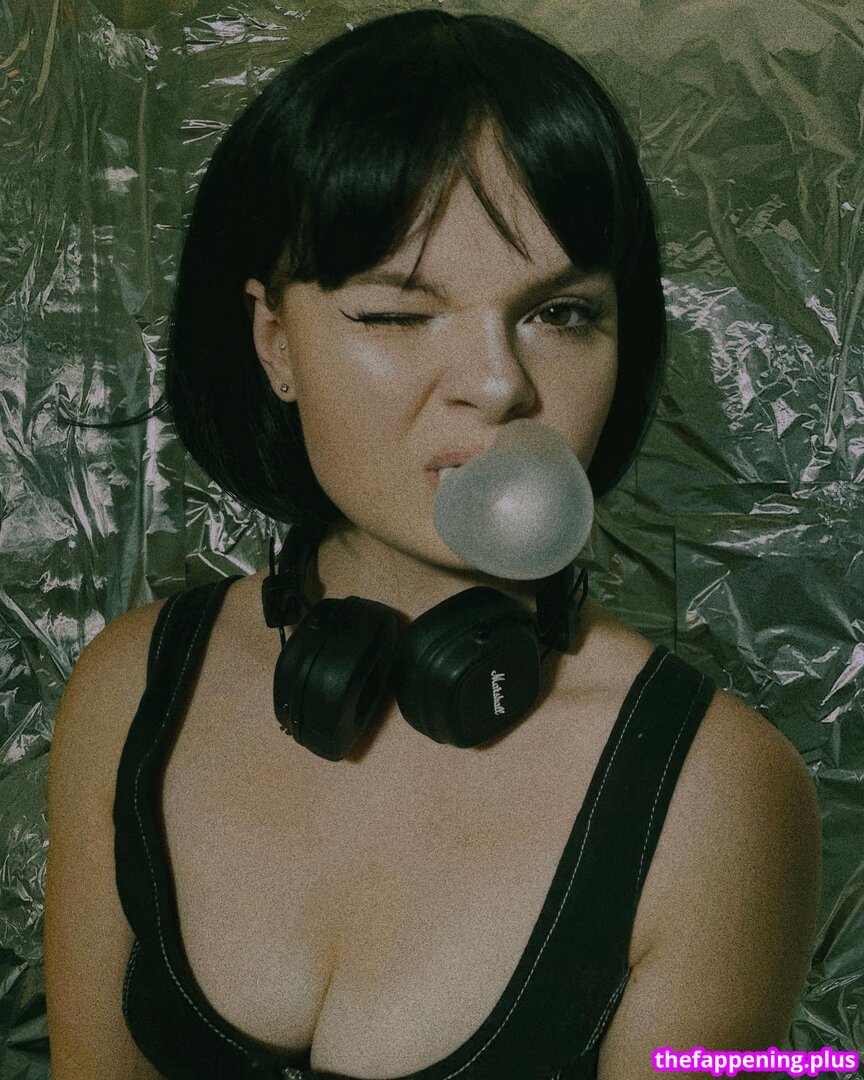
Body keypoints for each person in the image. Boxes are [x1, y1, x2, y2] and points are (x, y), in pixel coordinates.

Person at [43, 9, 821, 1079]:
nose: (497, 383)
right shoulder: (131, 687)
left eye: (560, 314)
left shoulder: (721, 792)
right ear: (275, 341)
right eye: (398, 314)